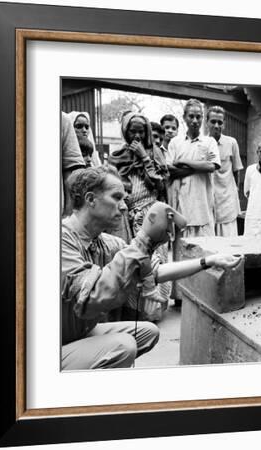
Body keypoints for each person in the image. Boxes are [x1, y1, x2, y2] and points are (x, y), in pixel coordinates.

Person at [61, 166, 242, 370]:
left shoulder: (105, 242)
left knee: (147, 332)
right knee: (124, 346)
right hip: (56, 348)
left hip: (81, 333)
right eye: (116, 197)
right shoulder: (61, 240)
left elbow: (155, 273)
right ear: (91, 199)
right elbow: (91, 298)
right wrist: (143, 240)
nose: (124, 206)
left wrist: (208, 261)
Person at [109, 113, 170, 320]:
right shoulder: (118, 156)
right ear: (125, 132)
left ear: (147, 133)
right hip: (129, 216)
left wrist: (144, 157)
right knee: (135, 263)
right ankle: (137, 312)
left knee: (156, 261)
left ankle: (155, 311)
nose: (136, 135)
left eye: (141, 131)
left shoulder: (155, 154)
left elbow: (161, 184)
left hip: (153, 214)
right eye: (132, 131)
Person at [166, 99, 220, 237]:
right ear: (184, 117)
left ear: (202, 118)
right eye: (191, 116)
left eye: (198, 116)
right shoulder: (175, 143)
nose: (195, 120)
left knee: (206, 254)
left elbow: (211, 166)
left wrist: (183, 161)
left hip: (203, 209)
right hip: (181, 208)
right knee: (183, 255)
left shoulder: (209, 142)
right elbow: (170, 170)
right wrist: (198, 168)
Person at [206, 106, 243, 237]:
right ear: (207, 123)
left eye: (220, 122)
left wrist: (234, 193)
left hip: (227, 200)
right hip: (208, 199)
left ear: (224, 124)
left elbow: (236, 171)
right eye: (213, 121)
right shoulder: (202, 143)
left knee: (229, 239)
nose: (216, 125)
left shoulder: (231, 143)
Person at [61, 112, 86, 217]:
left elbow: (71, 171)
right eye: (79, 126)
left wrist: (68, 214)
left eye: (86, 127)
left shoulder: (62, 120)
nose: (84, 130)